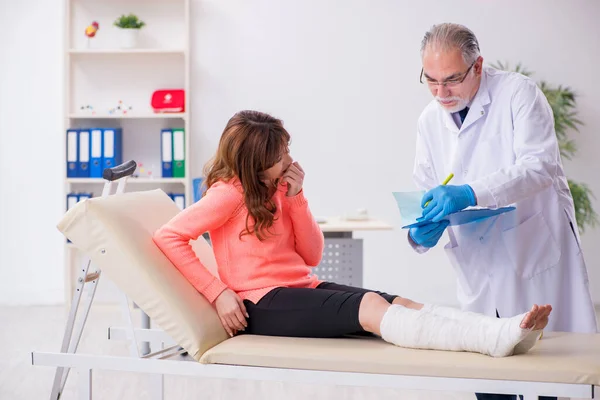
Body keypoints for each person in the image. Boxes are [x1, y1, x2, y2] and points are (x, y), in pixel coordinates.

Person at [153, 109, 551, 359]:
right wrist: (219, 292)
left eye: (288, 149)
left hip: (298, 287)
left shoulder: (278, 189)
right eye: (280, 156)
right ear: (256, 162)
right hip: (260, 304)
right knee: (372, 312)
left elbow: (311, 255)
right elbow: (169, 237)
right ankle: (493, 340)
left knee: (398, 302)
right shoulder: (228, 194)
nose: (290, 160)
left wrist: (296, 198)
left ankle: (498, 332)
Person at [409, 23, 598, 399]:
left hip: (533, 252)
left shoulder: (518, 94)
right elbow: (425, 189)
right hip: (479, 264)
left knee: (553, 374)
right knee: (489, 377)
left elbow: (539, 166)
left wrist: (470, 192)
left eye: (451, 80)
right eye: (430, 80)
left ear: (477, 66)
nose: (441, 93)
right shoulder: (429, 119)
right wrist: (419, 231)